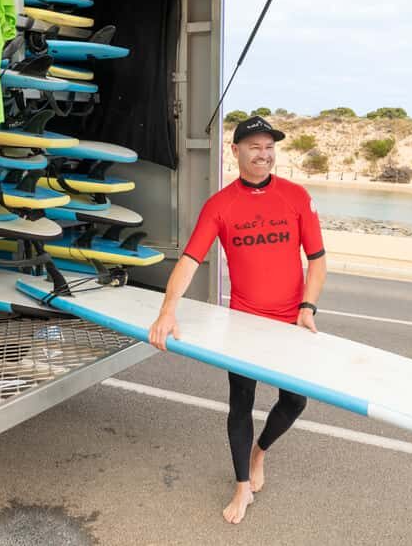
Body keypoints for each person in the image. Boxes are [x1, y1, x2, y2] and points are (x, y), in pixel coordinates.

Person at [148, 116, 328, 524]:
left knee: (295, 400)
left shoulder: (297, 197)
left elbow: (317, 261)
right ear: (235, 151)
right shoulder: (221, 205)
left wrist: (308, 307)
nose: (264, 154)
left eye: (269, 147)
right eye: (254, 147)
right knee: (241, 404)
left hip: (290, 323)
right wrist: (167, 311)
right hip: (244, 322)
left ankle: (259, 452)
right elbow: (189, 260)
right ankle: (242, 486)